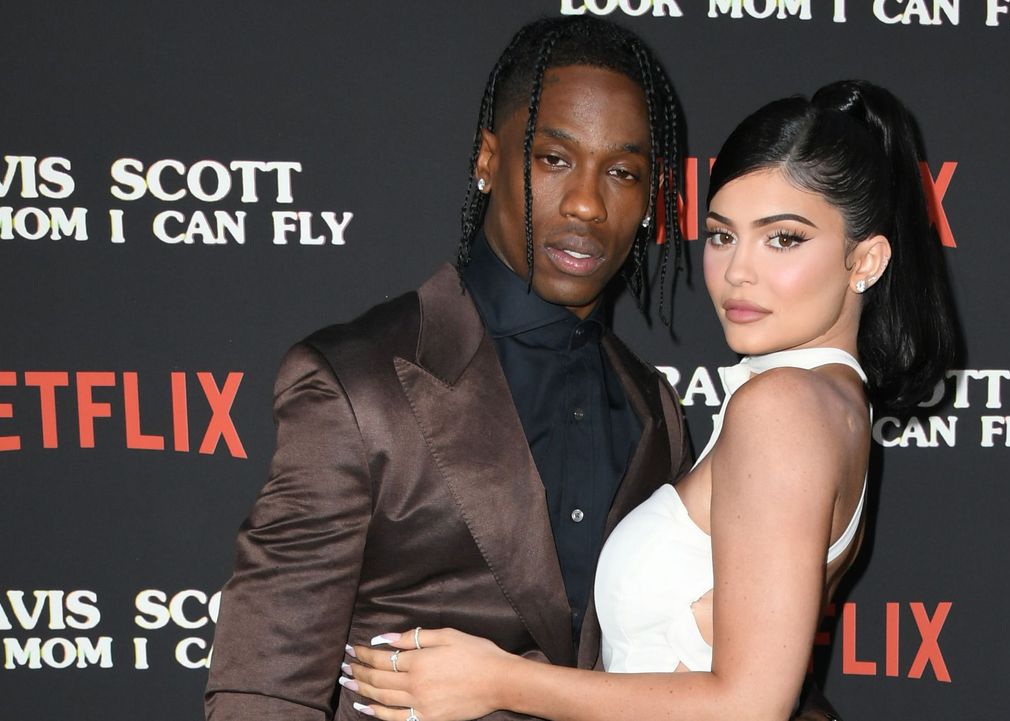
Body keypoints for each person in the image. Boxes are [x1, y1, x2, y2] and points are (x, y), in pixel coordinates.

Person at [342, 79, 960, 721]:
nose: (739, 270)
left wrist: (497, 681)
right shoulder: (830, 401)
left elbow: (750, 705)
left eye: (783, 238)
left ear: (866, 260)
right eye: (723, 235)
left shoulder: (784, 408)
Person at [204, 16, 694, 721]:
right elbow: (264, 689)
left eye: (622, 173)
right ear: (489, 158)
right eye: (553, 159)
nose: (588, 203)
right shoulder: (357, 383)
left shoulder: (654, 411)